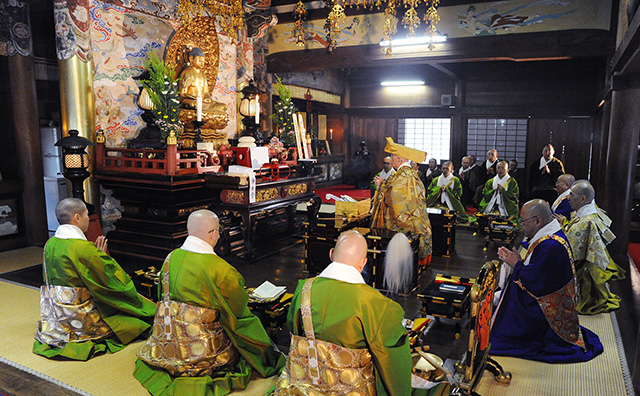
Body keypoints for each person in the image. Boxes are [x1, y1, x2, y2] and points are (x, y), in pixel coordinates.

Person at [134, 210, 285, 396]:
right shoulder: (221, 270)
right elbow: (237, 315)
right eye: (218, 232)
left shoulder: (170, 258)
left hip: (166, 344)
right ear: (213, 234)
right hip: (201, 351)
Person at [275, 230, 413, 395]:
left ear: (331, 254)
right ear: (363, 263)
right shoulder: (377, 304)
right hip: (352, 389)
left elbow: (295, 329)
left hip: (306, 385)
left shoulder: (304, 289)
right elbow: (392, 362)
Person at [33, 198, 156, 360]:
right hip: (79, 315)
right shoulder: (84, 249)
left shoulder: (50, 244)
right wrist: (102, 257)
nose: (87, 220)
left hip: (55, 313)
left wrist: (97, 257)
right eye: (86, 216)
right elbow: (109, 283)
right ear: (77, 217)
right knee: (136, 321)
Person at [491, 199, 603, 363]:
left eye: (523, 221)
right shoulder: (549, 236)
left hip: (548, 310)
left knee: (497, 337)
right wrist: (519, 264)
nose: (521, 225)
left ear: (538, 221)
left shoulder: (551, 246)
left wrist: (516, 264)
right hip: (551, 296)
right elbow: (538, 274)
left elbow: (535, 283)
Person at [564, 181, 624, 314]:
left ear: (583, 199)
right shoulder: (590, 214)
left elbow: (570, 255)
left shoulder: (584, 224)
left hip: (582, 274)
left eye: (571, 194)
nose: (568, 198)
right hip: (589, 268)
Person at [372, 137, 432, 266]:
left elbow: (394, 195)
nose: (391, 159)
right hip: (415, 216)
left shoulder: (403, 175)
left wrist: (381, 187)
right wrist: (384, 184)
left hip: (405, 222)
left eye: (392, 157)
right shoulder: (409, 173)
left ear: (399, 159)